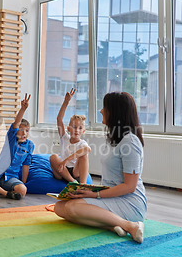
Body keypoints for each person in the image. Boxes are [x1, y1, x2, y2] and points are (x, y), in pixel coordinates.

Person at [54, 91, 147, 244]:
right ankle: (112, 225)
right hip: (111, 195)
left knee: (72, 208)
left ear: (115, 112)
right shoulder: (114, 139)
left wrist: (95, 196)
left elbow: (130, 186)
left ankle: (131, 225)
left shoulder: (130, 141)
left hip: (130, 202)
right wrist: (90, 191)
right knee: (59, 207)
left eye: (104, 107)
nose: (101, 111)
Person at [49, 88, 91, 185]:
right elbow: (59, 119)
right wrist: (66, 102)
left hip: (75, 172)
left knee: (84, 155)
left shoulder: (82, 143)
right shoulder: (65, 138)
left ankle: (82, 185)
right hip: (61, 171)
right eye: (74, 127)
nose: (77, 130)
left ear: (83, 131)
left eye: (80, 128)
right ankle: (73, 183)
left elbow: (88, 149)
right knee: (53, 157)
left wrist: (67, 160)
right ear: (68, 128)